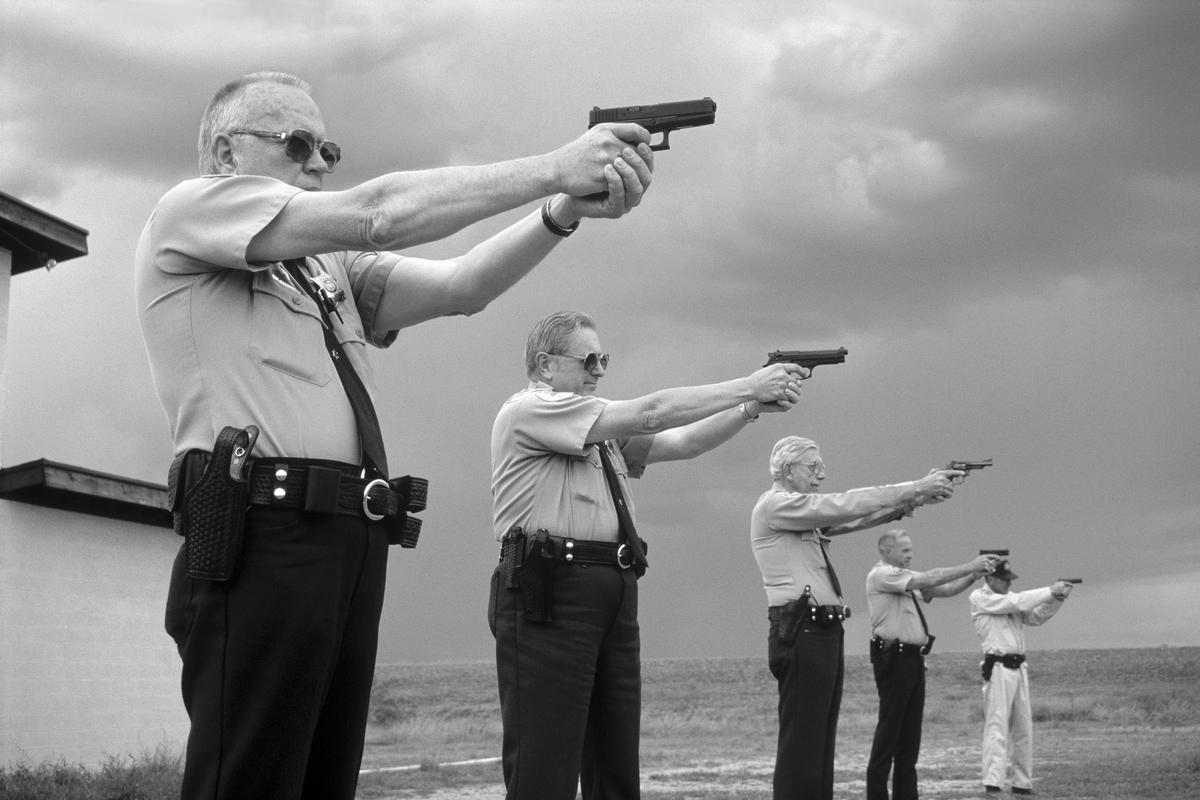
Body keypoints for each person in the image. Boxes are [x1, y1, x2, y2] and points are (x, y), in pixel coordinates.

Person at [134, 71, 656, 800]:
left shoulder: (324, 266)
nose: (319, 162)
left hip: (348, 537)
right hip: (263, 531)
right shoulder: (187, 213)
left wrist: (560, 210)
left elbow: (461, 287)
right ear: (225, 152)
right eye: (297, 144)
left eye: (329, 149)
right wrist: (553, 166)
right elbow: (379, 213)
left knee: (322, 779)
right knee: (248, 778)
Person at [488, 310, 804, 800]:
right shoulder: (530, 409)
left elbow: (683, 442)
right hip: (548, 591)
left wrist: (750, 408)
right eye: (588, 358)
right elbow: (654, 412)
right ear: (546, 365)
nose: (598, 369)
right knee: (544, 769)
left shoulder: (596, 425)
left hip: (609, 589)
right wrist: (748, 384)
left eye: (604, 359)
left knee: (615, 763)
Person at [750, 436, 964, 800]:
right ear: (787, 470)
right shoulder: (776, 506)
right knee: (803, 742)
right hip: (802, 629)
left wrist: (915, 498)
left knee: (819, 741)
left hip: (821, 630)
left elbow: (852, 518)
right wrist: (913, 487)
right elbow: (844, 505)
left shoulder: (799, 515)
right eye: (813, 467)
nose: (822, 474)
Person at [864, 529, 999, 800]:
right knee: (889, 731)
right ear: (887, 551)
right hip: (894, 659)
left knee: (910, 736)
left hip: (913, 659)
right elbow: (933, 576)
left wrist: (974, 575)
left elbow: (945, 589)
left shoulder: (906, 579)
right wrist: (971, 564)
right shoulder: (883, 575)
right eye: (904, 550)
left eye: (910, 549)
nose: (910, 554)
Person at [969, 559, 1074, 796]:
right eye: (1004, 580)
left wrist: (1056, 599)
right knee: (997, 726)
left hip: (1018, 667)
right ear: (990, 579)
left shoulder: (1010, 599)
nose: (1008, 584)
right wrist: (1049, 590)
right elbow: (1015, 602)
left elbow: (1035, 617)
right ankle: (993, 782)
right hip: (998, 668)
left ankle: (1021, 783)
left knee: (1023, 727)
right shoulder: (980, 598)